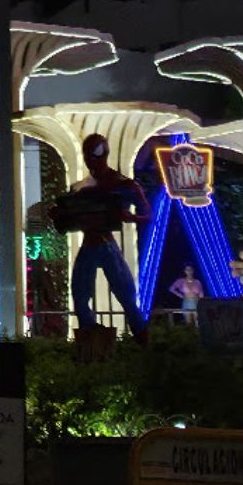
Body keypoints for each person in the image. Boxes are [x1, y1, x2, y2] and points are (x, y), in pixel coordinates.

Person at [67, 134, 151, 342]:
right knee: (79, 296)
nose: (90, 160)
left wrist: (129, 217)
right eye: (87, 155)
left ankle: (142, 341)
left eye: (94, 155)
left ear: (103, 154)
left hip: (105, 244)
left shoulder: (122, 184)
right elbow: (70, 216)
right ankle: (93, 340)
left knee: (126, 296)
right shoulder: (80, 188)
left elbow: (147, 215)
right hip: (90, 244)